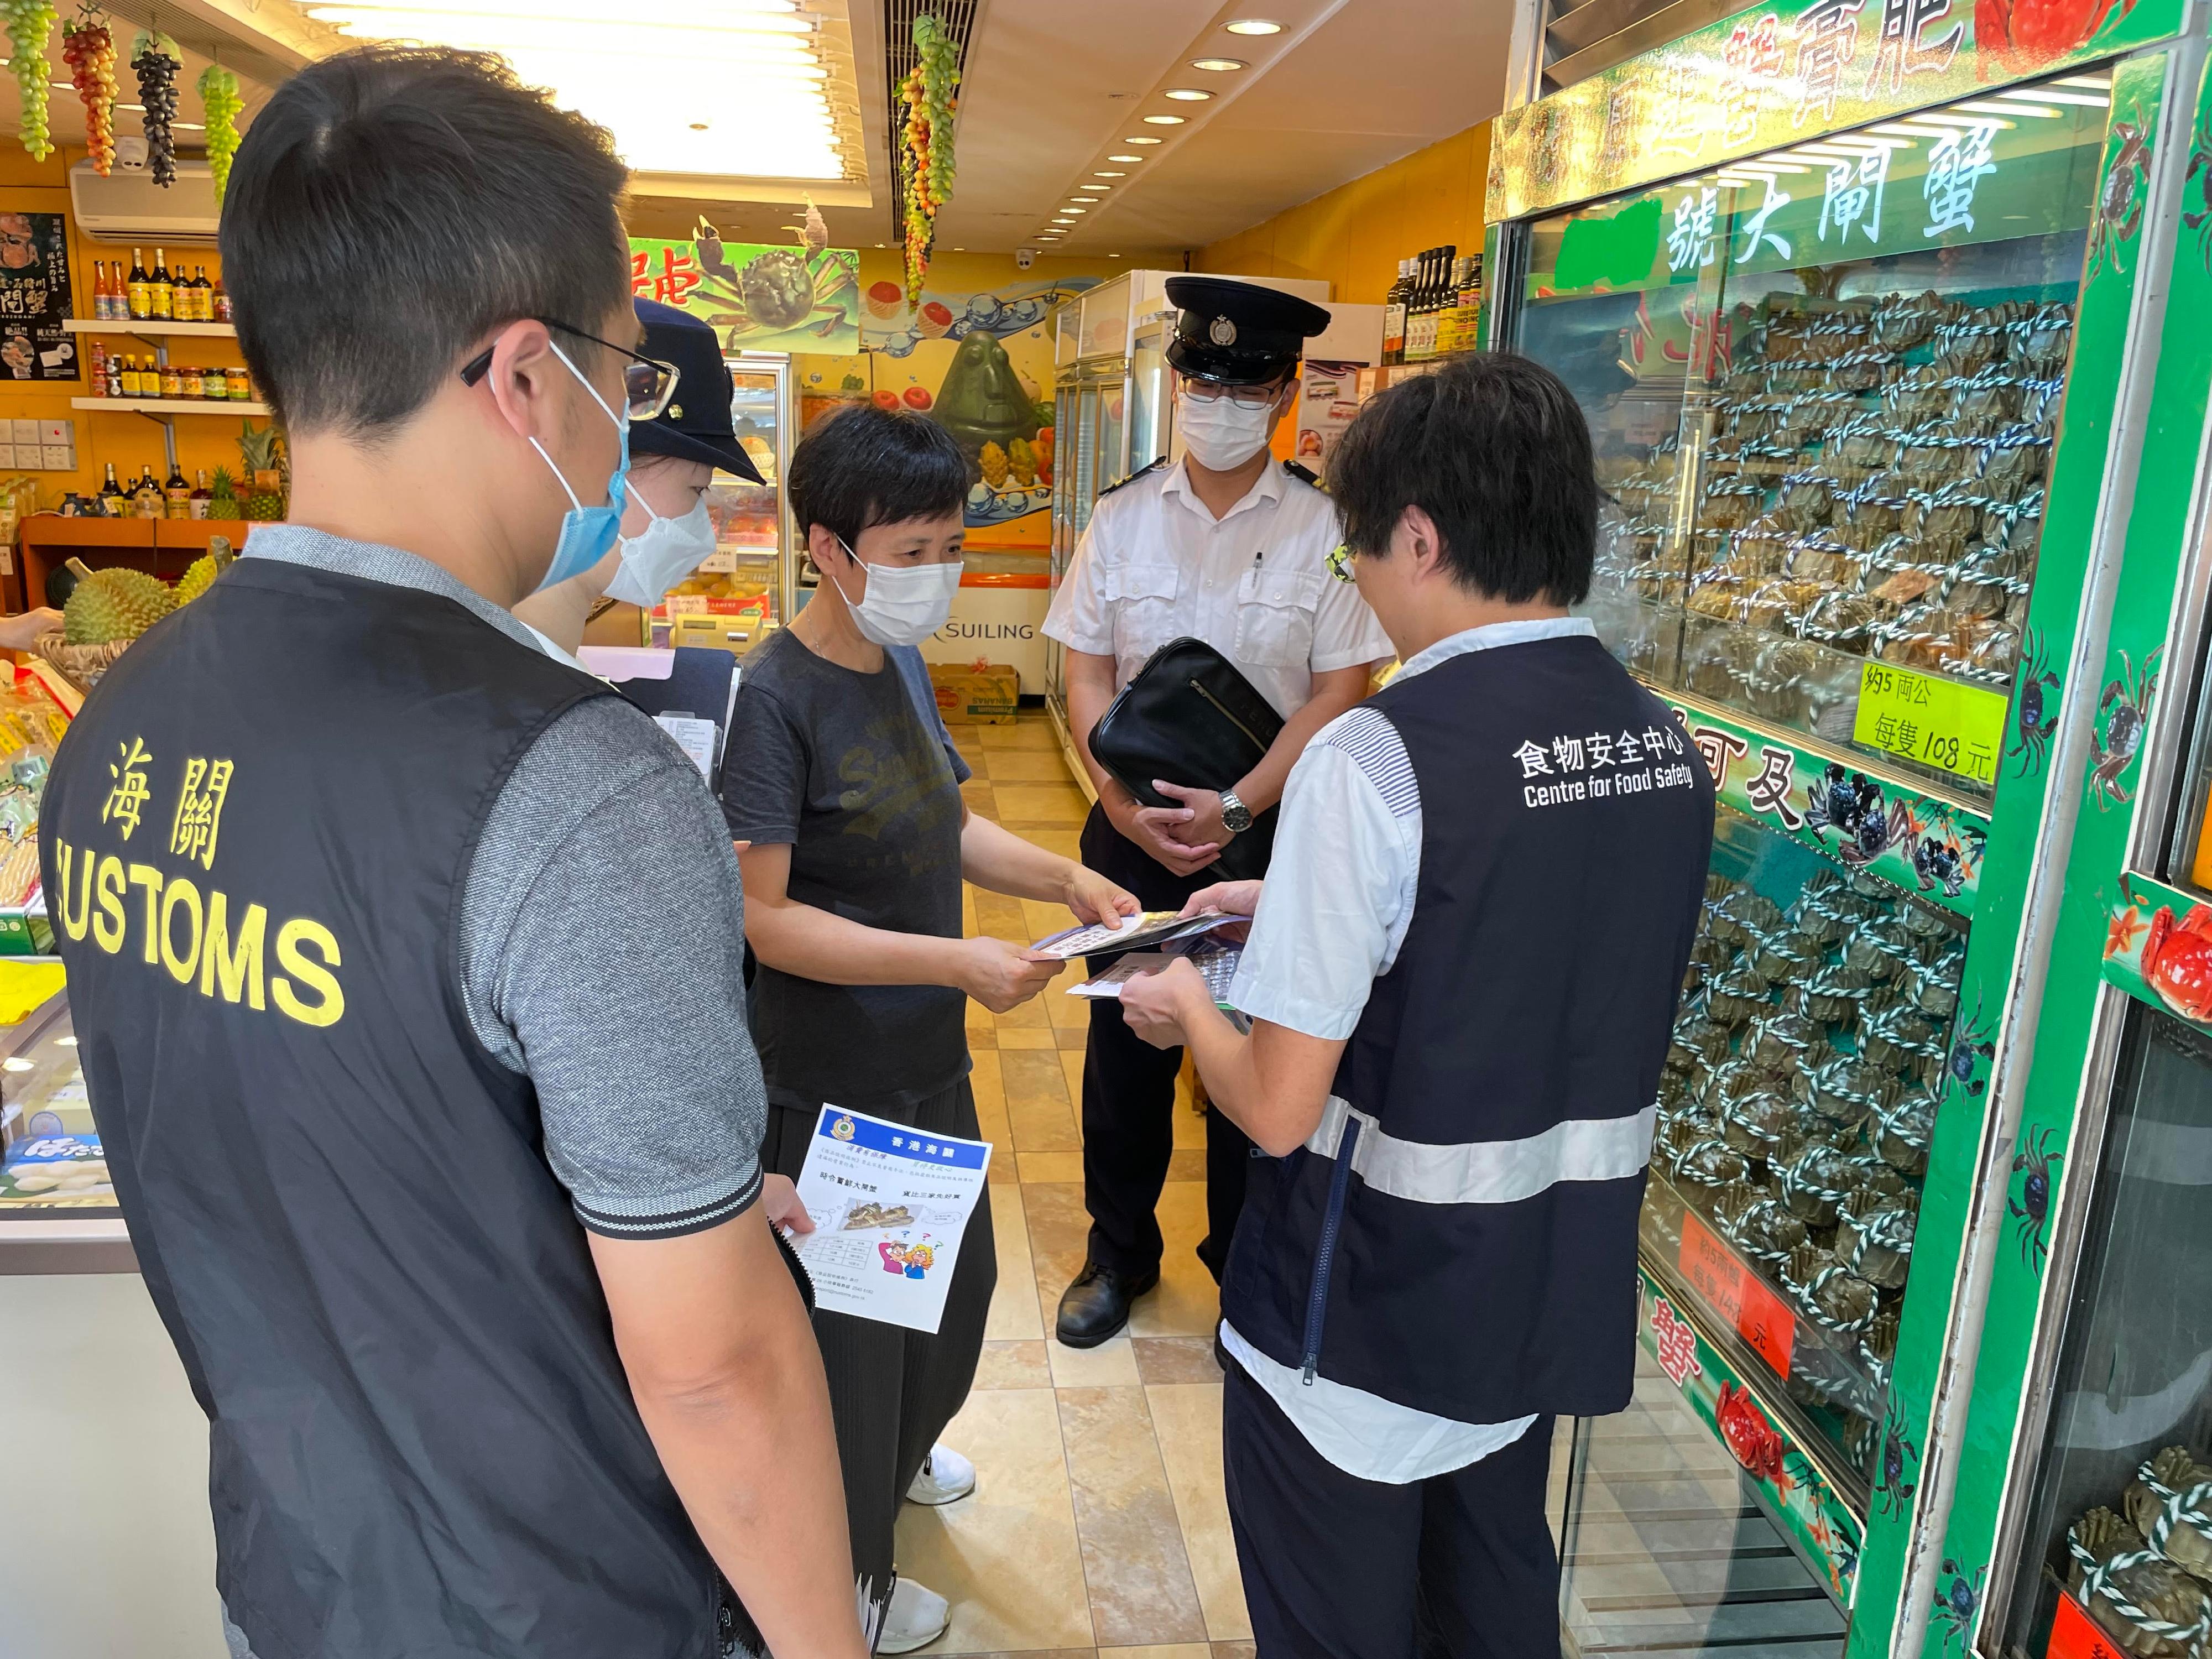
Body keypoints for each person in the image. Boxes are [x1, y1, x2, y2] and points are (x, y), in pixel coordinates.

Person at [39, 46, 865, 1659]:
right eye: (622, 375)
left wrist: (642, 1191)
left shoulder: (120, 722)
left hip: (304, 1576)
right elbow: (710, 1367)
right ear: (521, 374)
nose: (624, 423)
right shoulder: (576, 783)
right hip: (563, 1600)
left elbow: (327, 1137)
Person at [1119, 353, 1716, 1657]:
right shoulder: (1659, 742)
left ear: (1420, 535)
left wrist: (1184, 1005)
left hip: (1361, 1317)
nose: (1363, 587)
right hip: (1531, 1296)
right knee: (1490, 1609)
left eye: (1356, 557)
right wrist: (1288, 907)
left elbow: (1278, 1109)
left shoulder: (1376, 753)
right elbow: (1514, 929)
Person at [720, 403, 1140, 1652]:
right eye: (911, 549)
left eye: (950, 543)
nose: (938, 573)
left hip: (926, 1070)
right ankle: (850, 1579)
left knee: (950, 1303)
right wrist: (955, 960)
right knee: (852, 1348)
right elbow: (766, 919)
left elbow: (950, 822)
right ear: (828, 547)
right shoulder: (773, 697)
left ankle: (898, 1462)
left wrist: (1065, 878)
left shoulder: (896, 666)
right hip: (832, 1085)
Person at [1041, 275, 1392, 1347]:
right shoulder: (1119, 517)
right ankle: (1117, 1256)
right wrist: (1121, 801)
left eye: (1243, 387)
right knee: (1125, 1063)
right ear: (1177, 384)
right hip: (1132, 835)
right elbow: (1085, 670)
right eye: (1200, 381)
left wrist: (1237, 807)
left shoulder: (1328, 528)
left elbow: (1339, 692)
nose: (1218, 402)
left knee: (1257, 1051)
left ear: (1283, 395)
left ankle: (1245, 1269)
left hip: (1270, 839)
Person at [512, 295, 763, 662]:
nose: (705, 531)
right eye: (697, 488)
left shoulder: (508, 650)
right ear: (607, 462)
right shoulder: (536, 688)